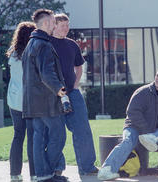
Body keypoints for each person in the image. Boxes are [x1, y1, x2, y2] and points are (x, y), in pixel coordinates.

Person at [97, 65, 158, 181]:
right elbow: (132, 112)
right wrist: (145, 130)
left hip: (152, 133)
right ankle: (106, 170)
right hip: (133, 127)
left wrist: (157, 131)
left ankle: (152, 138)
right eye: (157, 75)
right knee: (128, 141)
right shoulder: (143, 92)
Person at [50, 13, 98, 180]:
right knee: (56, 133)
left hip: (72, 93)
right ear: (54, 25)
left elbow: (79, 67)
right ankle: (57, 168)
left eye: (67, 25)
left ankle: (87, 167)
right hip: (52, 95)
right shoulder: (46, 44)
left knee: (82, 130)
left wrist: (76, 86)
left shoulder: (72, 45)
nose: (66, 28)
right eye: (62, 25)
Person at [22, 9, 68, 182]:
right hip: (46, 102)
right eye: (53, 22)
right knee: (58, 135)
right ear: (46, 23)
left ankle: (43, 176)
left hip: (33, 102)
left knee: (39, 138)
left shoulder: (31, 44)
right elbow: (47, 73)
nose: (55, 25)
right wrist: (61, 91)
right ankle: (47, 172)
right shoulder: (44, 45)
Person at [6, 21, 36, 182]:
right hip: (30, 101)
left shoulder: (12, 52)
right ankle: (34, 174)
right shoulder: (33, 52)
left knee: (18, 136)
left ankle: (14, 174)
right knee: (32, 137)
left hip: (14, 99)